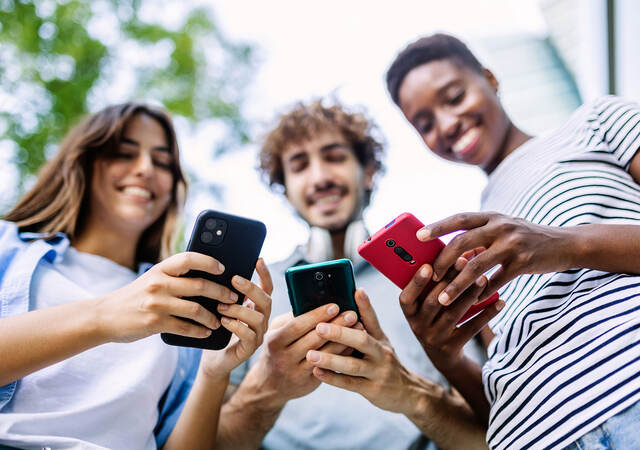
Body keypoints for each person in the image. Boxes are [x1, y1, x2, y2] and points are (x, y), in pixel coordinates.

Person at [385, 33, 640, 449]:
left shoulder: (596, 121)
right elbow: (494, 404)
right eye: (425, 124)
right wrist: (442, 355)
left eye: (454, 96)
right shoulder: (475, 240)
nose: (447, 124)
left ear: (489, 78)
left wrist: (563, 244)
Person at [216, 100, 493, 449]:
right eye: (300, 166)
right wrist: (266, 390)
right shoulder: (252, 290)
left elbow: (488, 438)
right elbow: (214, 443)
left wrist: (407, 391)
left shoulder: (427, 277)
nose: (319, 177)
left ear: (367, 172)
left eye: (334, 157)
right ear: (285, 190)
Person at [0, 102, 272, 449]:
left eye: (162, 162)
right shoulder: (6, 246)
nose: (145, 169)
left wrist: (212, 374)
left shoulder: (181, 301)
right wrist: (105, 316)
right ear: (85, 162)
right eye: (124, 154)